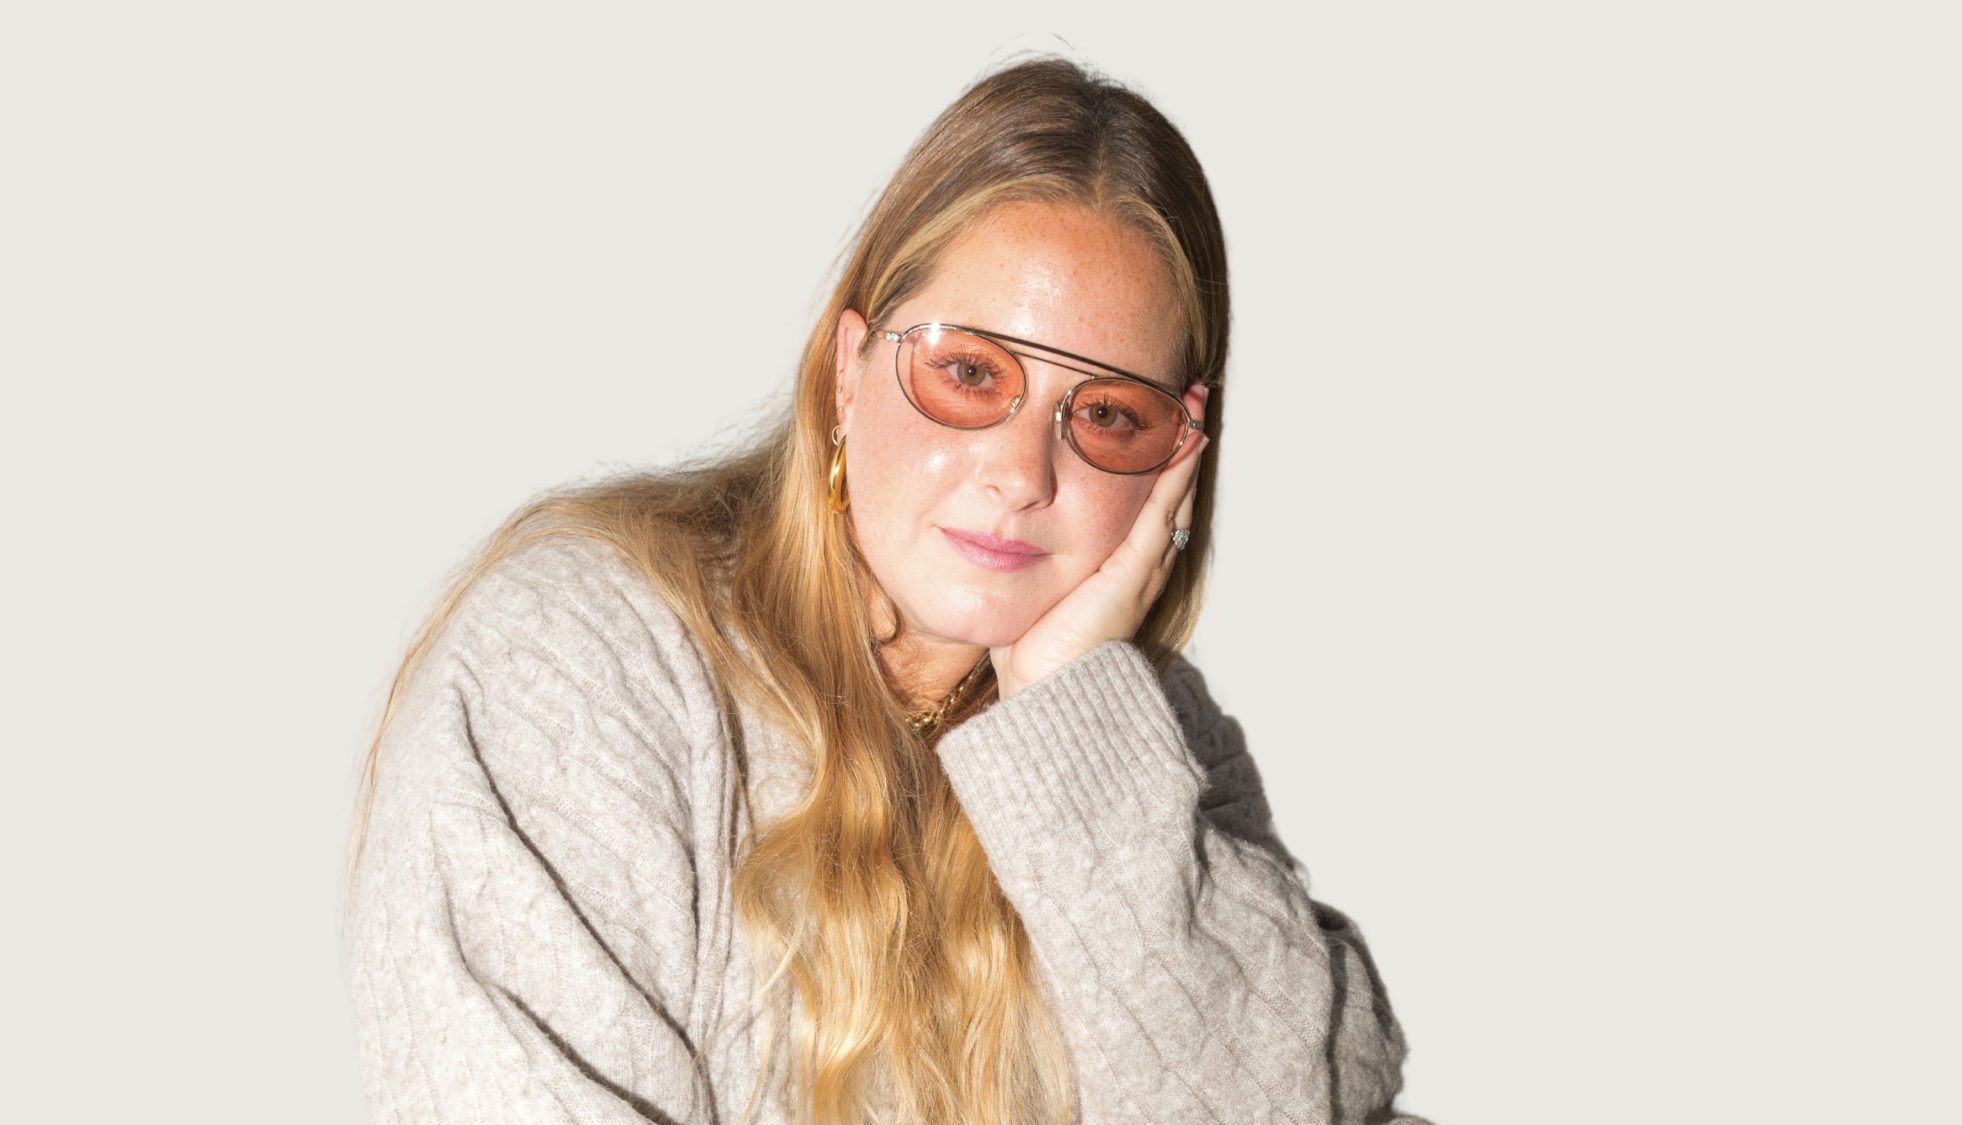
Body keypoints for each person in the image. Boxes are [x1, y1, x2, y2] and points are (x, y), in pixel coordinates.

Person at [342, 56, 1429, 1125]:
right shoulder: (580, 664)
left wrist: (1072, 728)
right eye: (970, 373)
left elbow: (1306, 1102)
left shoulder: (1143, 733)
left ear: (1176, 457)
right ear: (847, 372)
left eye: (1106, 415)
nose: (1023, 473)